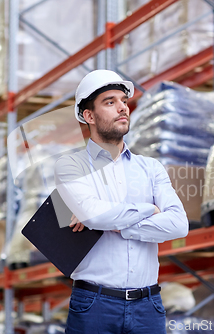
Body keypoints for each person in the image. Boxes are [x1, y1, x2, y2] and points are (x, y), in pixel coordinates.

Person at [54, 69, 189, 334]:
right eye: (110, 102)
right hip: (94, 305)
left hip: (148, 306)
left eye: (124, 101)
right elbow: (93, 215)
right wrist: (150, 209)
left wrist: (119, 225)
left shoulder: (151, 168)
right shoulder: (71, 165)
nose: (122, 108)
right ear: (88, 116)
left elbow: (178, 224)